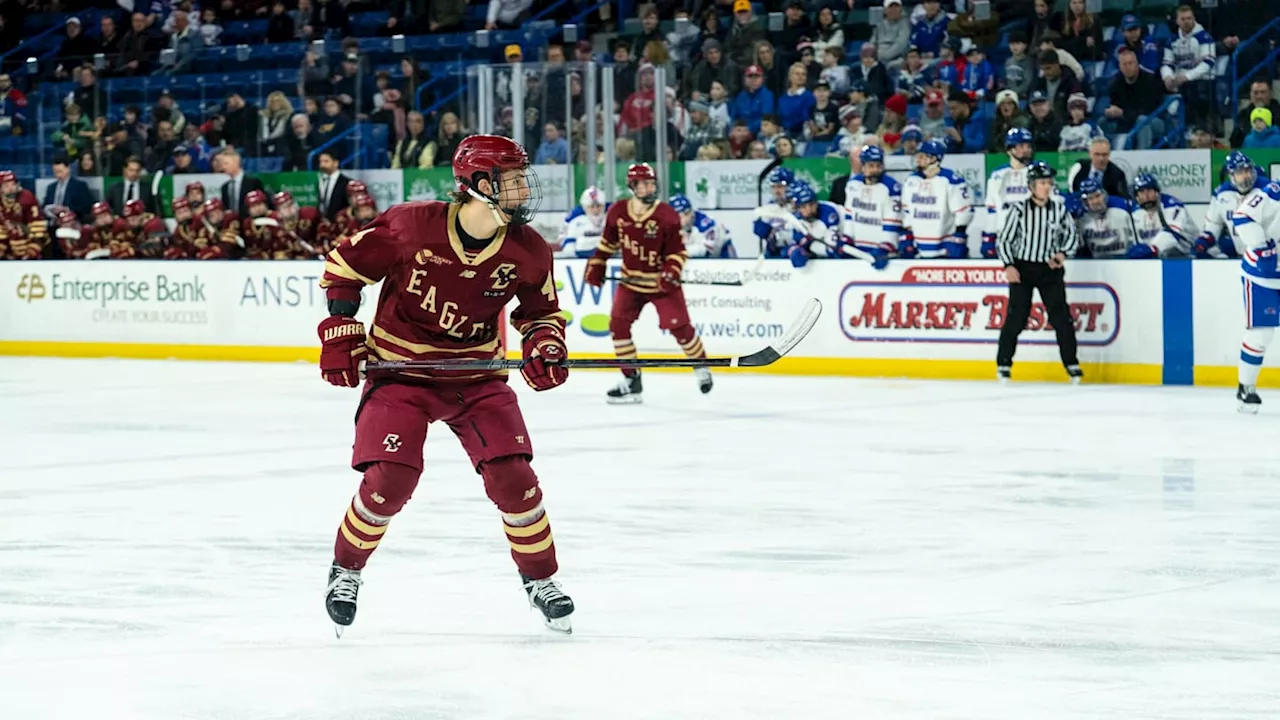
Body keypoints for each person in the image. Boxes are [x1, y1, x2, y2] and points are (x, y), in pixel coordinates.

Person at [317, 134, 572, 634]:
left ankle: (540, 580)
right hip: (399, 374)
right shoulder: (411, 226)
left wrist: (545, 346)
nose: (524, 190)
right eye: (514, 180)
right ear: (479, 184)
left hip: (476, 378)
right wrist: (341, 329)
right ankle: (345, 569)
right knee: (390, 481)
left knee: (515, 480)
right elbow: (344, 268)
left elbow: (541, 314)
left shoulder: (529, 249)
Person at [584, 163, 712, 402]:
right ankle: (632, 380)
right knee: (618, 326)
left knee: (679, 327)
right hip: (630, 282)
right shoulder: (618, 212)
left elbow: (678, 252)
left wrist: (671, 271)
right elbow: (607, 244)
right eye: (642, 184)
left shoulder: (667, 215)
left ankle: (701, 365)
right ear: (632, 186)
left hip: (661, 284)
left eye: (651, 183)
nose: (648, 187)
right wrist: (597, 263)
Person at [995, 161, 1082, 384]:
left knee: (1061, 317)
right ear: (1032, 186)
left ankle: (1071, 363)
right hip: (1023, 268)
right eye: (1042, 182)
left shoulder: (1059, 209)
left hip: (1049, 269)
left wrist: (1062, 255)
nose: (1046, 186)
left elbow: (1071, 236)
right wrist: (1009, 265)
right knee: (1017, 317)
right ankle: (1004, 363)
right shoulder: (1019, 210)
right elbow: (1004, 240)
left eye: (1048, 182)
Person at [1232, 170, 1280, 410]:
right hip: (1261, 277)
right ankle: (1245, 388)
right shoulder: (1272, 193)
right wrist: (1263, 248)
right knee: (1261, 334)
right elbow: (1241, 217)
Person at [901, 140, 973, 259]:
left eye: (922, 156)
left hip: (945, 249)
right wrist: (907, 238)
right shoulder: (911, 181)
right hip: (919, 248)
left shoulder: (951, 181)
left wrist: (959, 236)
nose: (917, 160)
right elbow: (907, 213)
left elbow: (964, 212)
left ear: (934, 159)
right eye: (917, 156)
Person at [1198, 152, 1269, 259]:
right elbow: (1214, 224)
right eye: (1240, 172)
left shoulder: (1267, 190)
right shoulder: (1222, 195)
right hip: (1241, 256)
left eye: (1248, 170)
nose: (1246, 176)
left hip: (1271, 255)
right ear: (1231, 176)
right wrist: (1204, 240)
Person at [983, 128, 1037, 259]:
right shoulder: (998, 175)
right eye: (1021, 146)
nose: (1026, 150)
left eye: (1028, 146)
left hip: (1033, 238)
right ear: (1010, 149)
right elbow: (992, 209)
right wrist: (989, 236)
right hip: (1005, 237)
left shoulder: (1038, 173)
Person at [840, 146, 901, 259]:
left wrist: (886, 246)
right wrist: (847, 238)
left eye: (878, 166)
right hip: (857, 249)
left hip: (881, 251)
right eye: (871, 166)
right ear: (863, 167)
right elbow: (850, 216)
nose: (875, 170)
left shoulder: (891, 188)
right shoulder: (853, 185)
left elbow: (892, 222)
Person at [1128, 174, 1195, 259]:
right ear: (1136, 196)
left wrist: (1153, 248)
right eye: (1141, 192)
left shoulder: (1172, 205)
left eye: (1149, 190)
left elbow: (1173, 234)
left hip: (1188, 255)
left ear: (1157, 192)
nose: (1146, 196)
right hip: (1157, 257)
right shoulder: (1135, 212)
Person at [1075, 178, 1138, 257]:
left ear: (1104, 195)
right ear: (1085, 202)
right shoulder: (1082, 219)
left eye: (1098, 196)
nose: (1095, 201)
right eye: (1090, 198)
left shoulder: (1121, 211)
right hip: (1096, 263)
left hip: (1124, 259)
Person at [670, 193, 735, 258]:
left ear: (689, 213)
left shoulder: (706, 225)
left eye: (677, 216)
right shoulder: (671, 225)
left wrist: (678, 251)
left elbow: (704, 250)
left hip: (723, 252)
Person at [0, 170, 46, 259]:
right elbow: (2, 233)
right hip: (11, 251)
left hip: (33, 249)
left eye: (13, 184)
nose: (11, 188)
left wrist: (31, 252)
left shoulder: (27, 198)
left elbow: (38, 230)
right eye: (6, 186)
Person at [755, 166, 797, 257]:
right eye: (773, 187)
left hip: (797, 252)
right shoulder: (769, 207)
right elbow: (760, 232)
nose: (776, 191)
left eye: (780, 186)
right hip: (776, 253)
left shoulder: (801, 206)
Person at [556, 186, 608, 258]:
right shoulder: (575, 221)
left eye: (599, 206)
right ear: (584, 207)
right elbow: (568, 245)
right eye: (591, 206)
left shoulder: (611, 217)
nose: (595, 210)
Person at [219, 149, 271, 217]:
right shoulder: (224, 187)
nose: (223, 167)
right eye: (222, 164)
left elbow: (265, 204)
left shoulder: (253, 182)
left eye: (226, 163)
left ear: (236, 162)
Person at [42, 157, 93, 224]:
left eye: (60, 171)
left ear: (68, 169)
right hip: (53, 222)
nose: (58, 175)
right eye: (56, 172)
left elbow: (86, 207)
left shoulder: (80, 186)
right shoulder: (51, 187)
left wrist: (67, 209)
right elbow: (45, 205)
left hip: (73, 222)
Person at [316, 150, 352, 220]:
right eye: (320, 162)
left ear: (336, 163)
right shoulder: (321, 182)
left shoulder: (347, 183)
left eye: (326, 161)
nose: (322, 165)